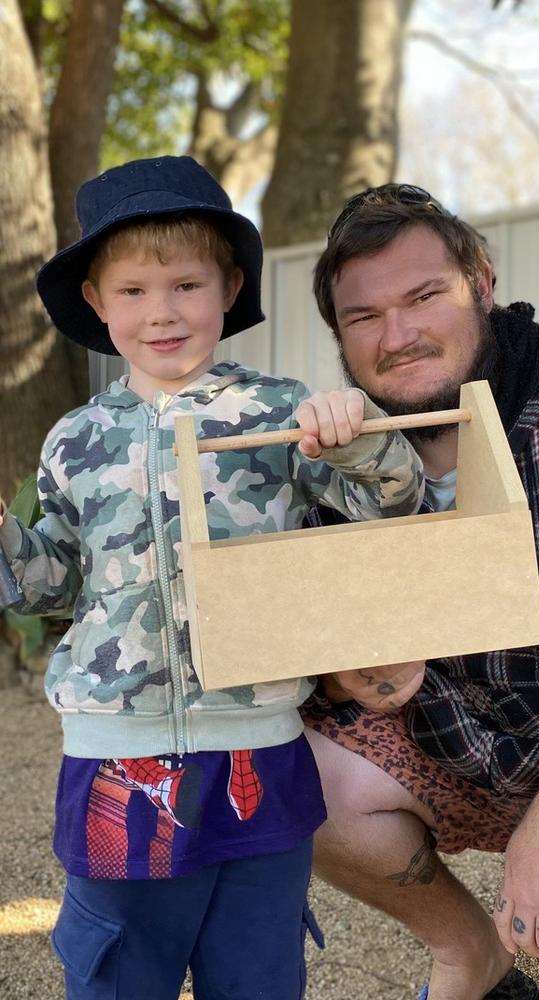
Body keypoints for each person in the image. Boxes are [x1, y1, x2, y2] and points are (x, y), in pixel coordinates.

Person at [0, 158, 425, 1000]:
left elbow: (393, 509)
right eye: (132, 291)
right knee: (124, 967)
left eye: (186, 284)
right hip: (116, 758)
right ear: (95, 300)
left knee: (258, 968)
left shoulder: (283, 412)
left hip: (260, 748)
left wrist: (359, 437)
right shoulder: (73, 439)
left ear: (229, 286)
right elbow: (44, 583)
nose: (161, 312)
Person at [303, 183, 539, 1000]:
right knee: (288, 772)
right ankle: (473, 959)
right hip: (470, 754)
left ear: (481, 282)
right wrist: (347, 675)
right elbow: (312, 649)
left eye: (425, 297)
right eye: (365, 317)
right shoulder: (339, 465)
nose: (399, 336)